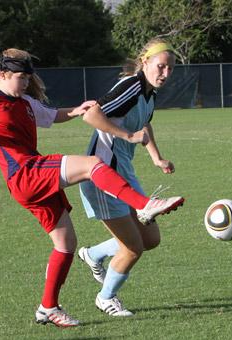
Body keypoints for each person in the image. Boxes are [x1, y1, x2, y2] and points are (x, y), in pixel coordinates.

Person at [0, 48, 183, 327]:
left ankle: (48, 308)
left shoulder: (24, 102)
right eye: (21, 78)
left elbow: (52, 115)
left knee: (66, 245)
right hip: (25, 173)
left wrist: (75, 110)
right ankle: (144, 204)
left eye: (27, 79)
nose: (25, 84)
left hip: (33, 180)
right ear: (2, 75)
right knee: (92, 165)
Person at [78, 38, 184, 316]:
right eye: (161, 67)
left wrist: (156, 157)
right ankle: (106, 298)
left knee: (150, 239)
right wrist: (127, 135)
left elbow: (144, 122)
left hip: (125, 173)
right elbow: (91, 115)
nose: (165, 73)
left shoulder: (149, 93)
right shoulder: (132, 86)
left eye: (170, 69)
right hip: (103, 177)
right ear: (145, 62)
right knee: (133, 247)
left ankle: (94, 254)